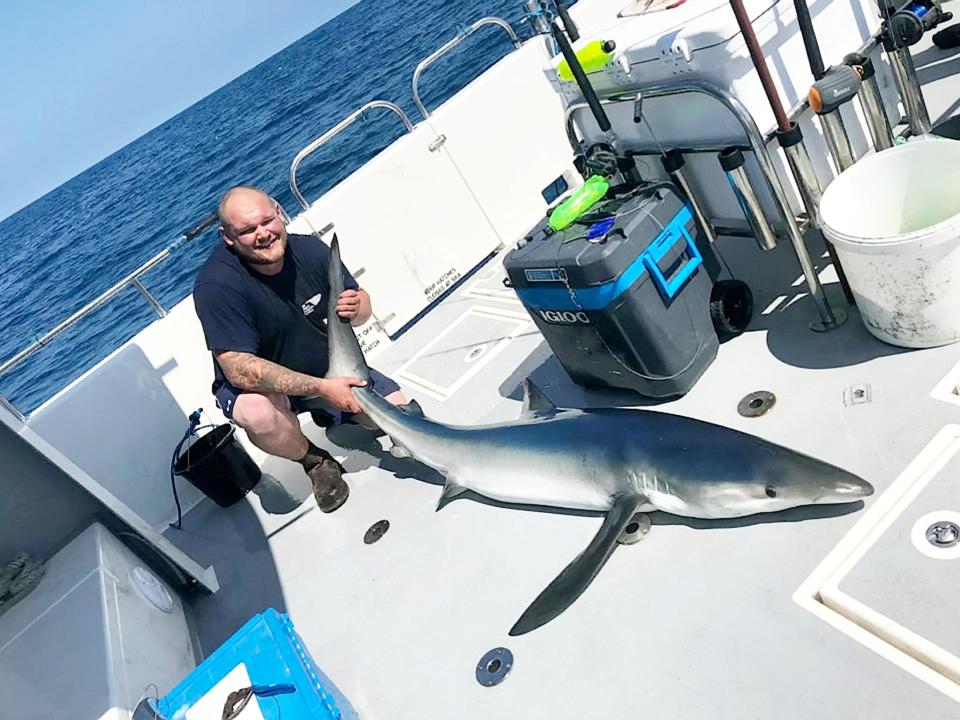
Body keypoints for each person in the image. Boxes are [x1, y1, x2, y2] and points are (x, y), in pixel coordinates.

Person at [193, 185, 408, 513]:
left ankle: (335, 414)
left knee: (398, 416)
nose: (263, 234)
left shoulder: (310, 251)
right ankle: (314, 461)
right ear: (228, 237)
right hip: (265, 388)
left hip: (326, 368)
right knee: (256, 415)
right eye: (248, 230)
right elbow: (239, 369)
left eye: (267, 221)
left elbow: (362, 308)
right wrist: (324, 388)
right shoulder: (217, 286)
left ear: (279, 212)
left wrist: (359, 305)